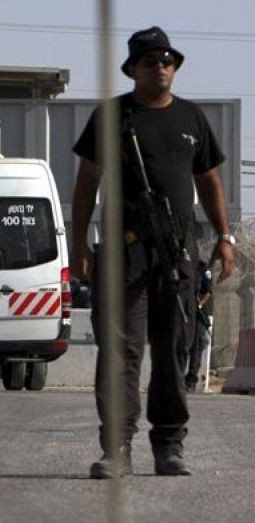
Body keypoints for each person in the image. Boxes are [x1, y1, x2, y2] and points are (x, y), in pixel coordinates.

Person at [70, 26, 234, 479]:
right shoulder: (111, 116)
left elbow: (209, 182)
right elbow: (87, 182)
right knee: (119, 352)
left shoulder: (191, 118)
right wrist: (79, 242)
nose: (160, 67)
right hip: (123, 254)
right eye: (150, 61)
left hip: (177, 254)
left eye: (167, 61)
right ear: (132, 69)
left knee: (173, 350)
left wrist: (225, 238)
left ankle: (169, 445)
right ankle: (117, 448)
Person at [185, 260, 213, 392]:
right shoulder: (179, 263)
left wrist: (200, 304)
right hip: (182, 310)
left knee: (196, 347)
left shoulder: (202, 268)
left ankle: (191, 380)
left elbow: (208, 292)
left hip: (197, 313)